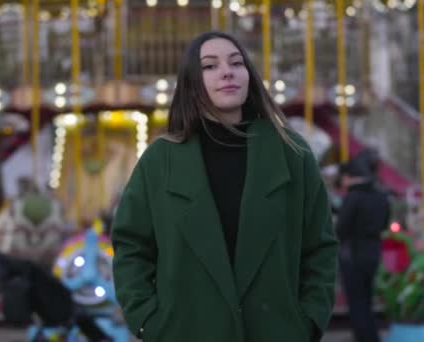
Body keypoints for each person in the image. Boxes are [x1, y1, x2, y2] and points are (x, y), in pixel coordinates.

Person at [111, 32, 338, 342]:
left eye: (236, 62)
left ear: (249, 75)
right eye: (209, 66)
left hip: (277, 332)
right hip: (184, 332)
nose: (227, 71)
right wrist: (147, 321)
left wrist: (309, 320)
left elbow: (320, 245)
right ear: (192, 82)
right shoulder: (160, 160)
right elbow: (131, 246)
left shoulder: (291, 152)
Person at [336, 158, 390, 342]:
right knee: (367, 301)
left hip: (353, 255)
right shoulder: (381, 196)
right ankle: (372, 336)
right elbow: (385, 224)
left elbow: (341, 229)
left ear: (349, 177)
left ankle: (364, 338)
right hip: (374, 252)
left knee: (357, 303)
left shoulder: (353, 198)